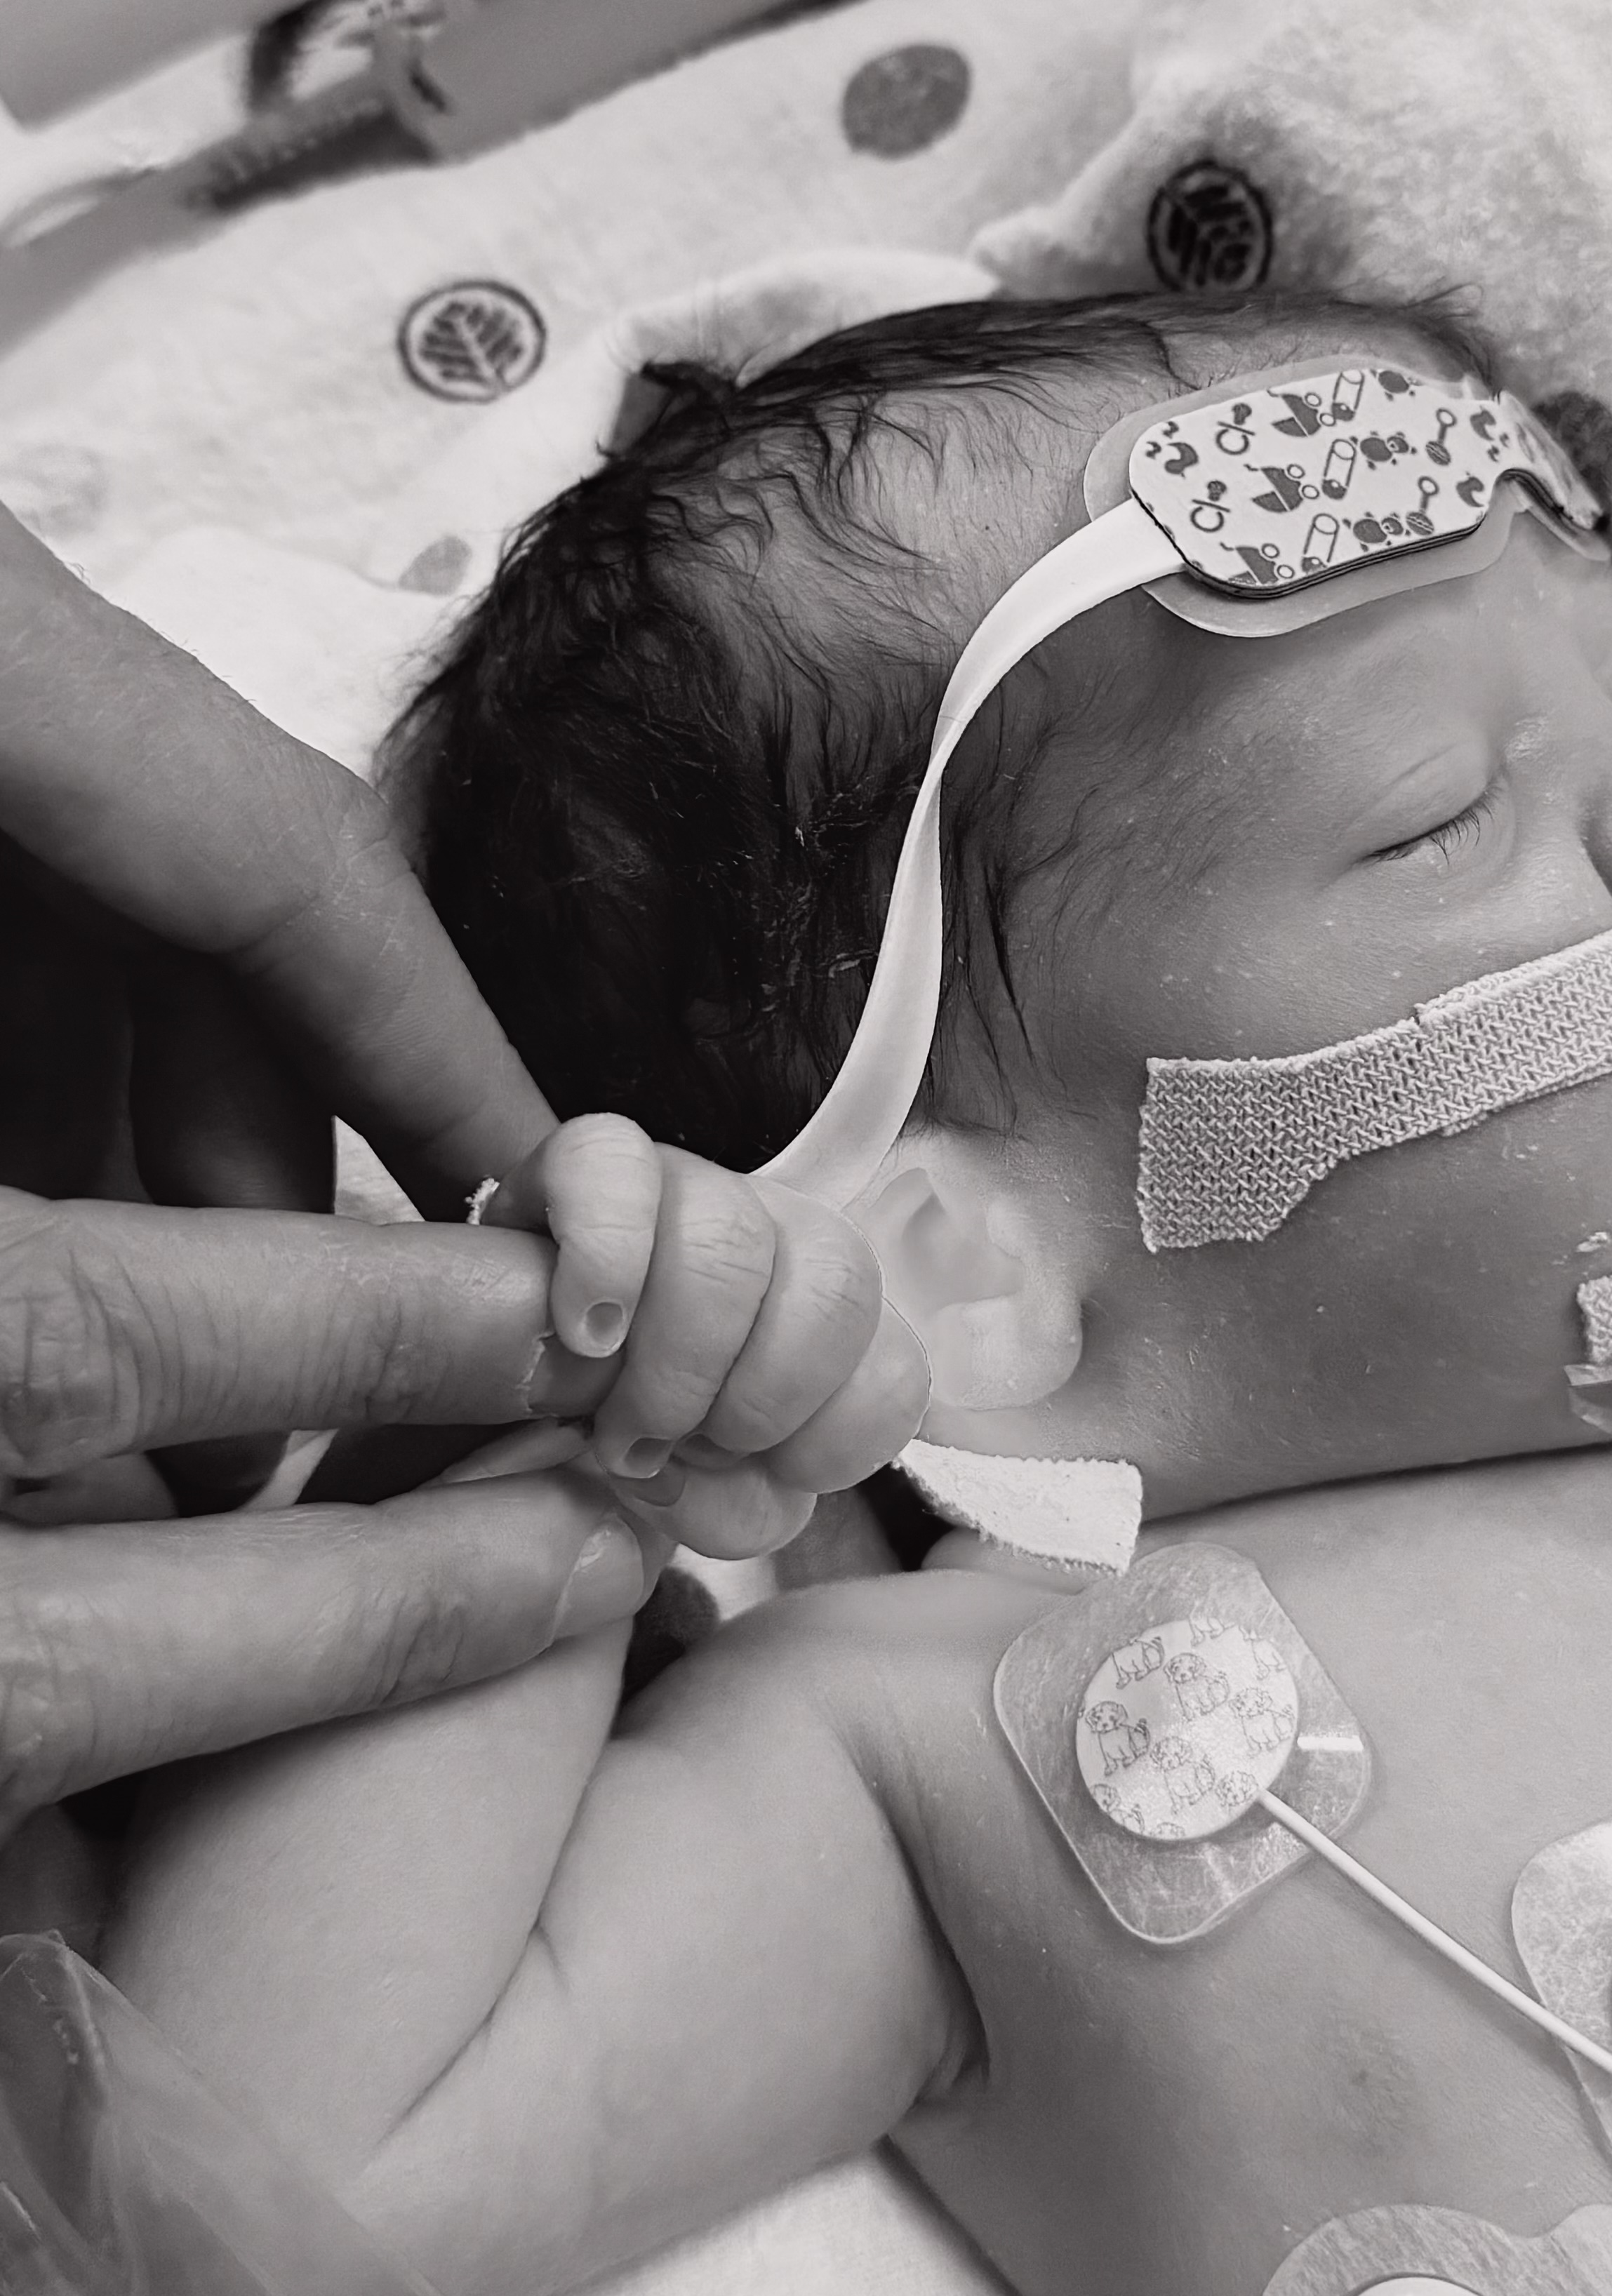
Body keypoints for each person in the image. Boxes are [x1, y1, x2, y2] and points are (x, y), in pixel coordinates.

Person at [102, 291, 1612, 2296]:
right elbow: (238, 2206)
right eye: (1443, 810)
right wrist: (599, 1417)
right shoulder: (949, 1750)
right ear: (964, 1271)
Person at [0, 501, 926, 1839]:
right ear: (974, 1251)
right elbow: (287, 2022)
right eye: (1359, 841)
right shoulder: (912, 1700)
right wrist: (546, 1450)